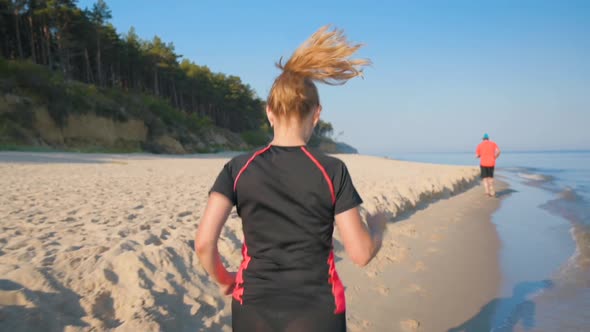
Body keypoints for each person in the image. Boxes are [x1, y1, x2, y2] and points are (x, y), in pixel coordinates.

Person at [195, 26, 386, 332]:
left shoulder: (238, 167)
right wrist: (377, 228)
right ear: (317, 113)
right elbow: (361, 254)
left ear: (269, 112)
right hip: (318, 309)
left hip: (252, 307)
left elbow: (204, 243)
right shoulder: (332, 169)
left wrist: (224, 278)